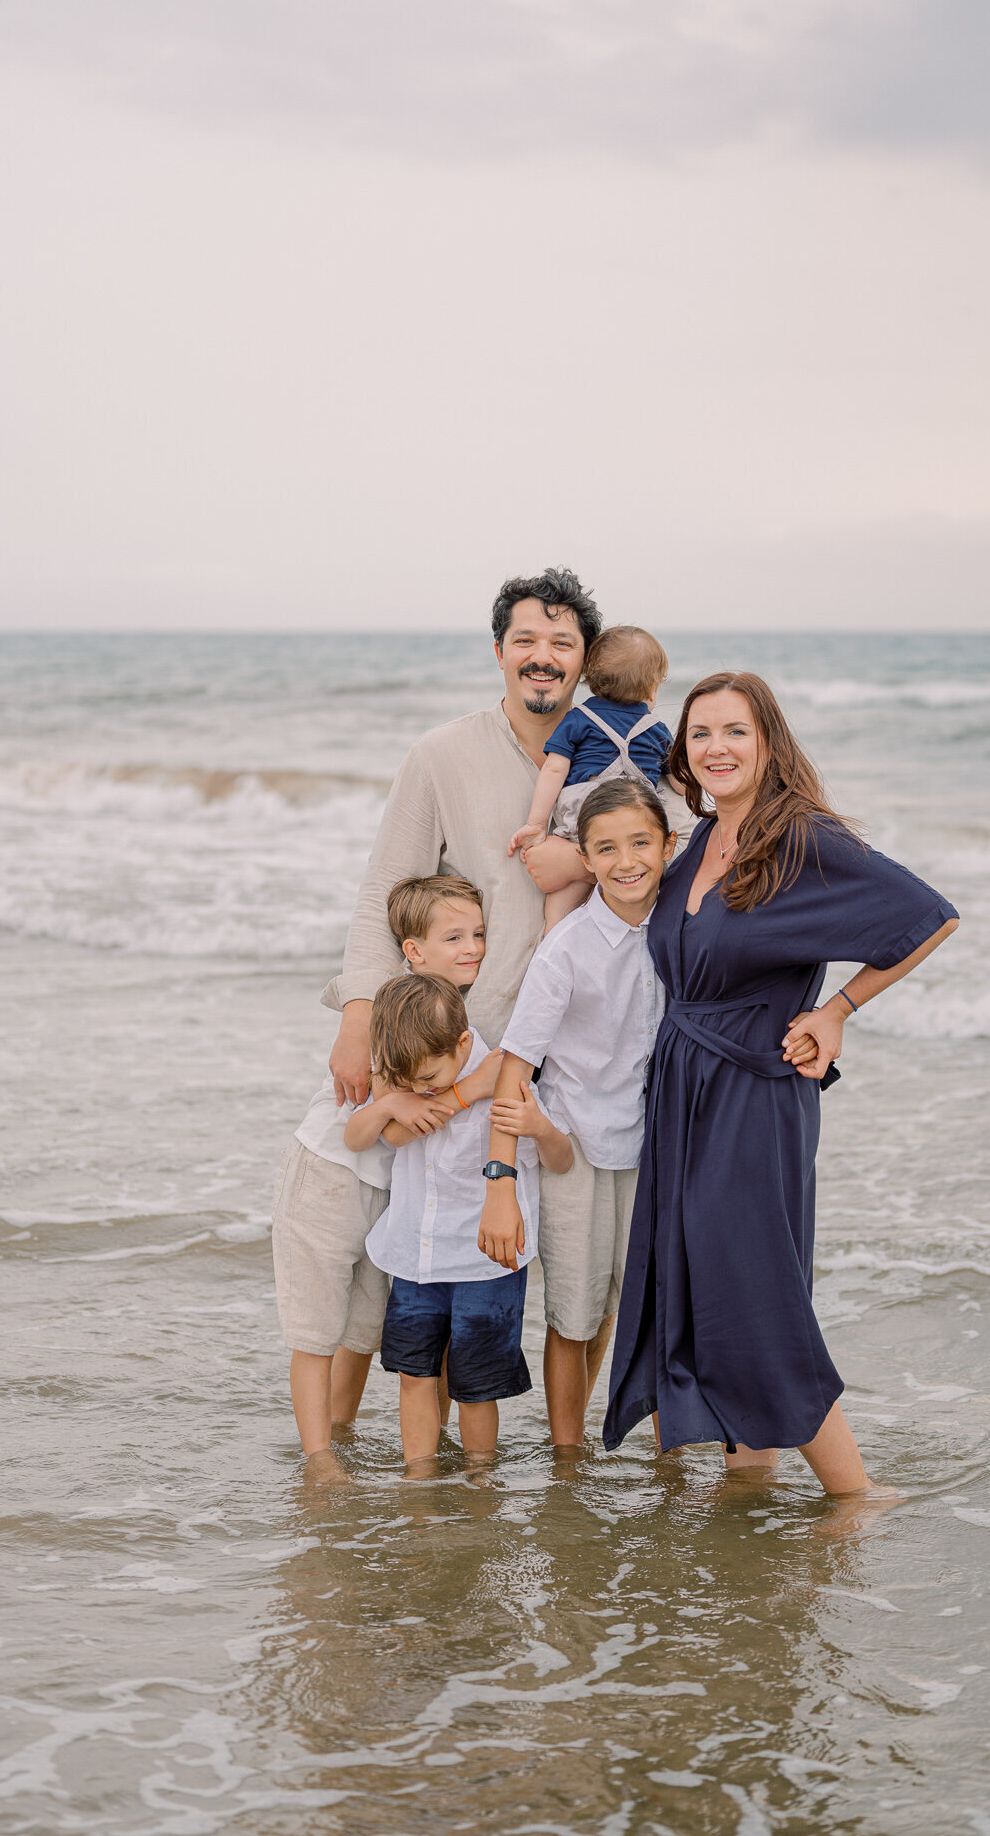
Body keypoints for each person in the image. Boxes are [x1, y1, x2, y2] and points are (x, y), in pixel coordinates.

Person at [602, 671, 960, 1488]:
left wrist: (837, 1011)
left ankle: (856, 1495)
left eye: (734, 732)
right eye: (699, 734)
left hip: (754, 1091)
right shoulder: (695, 842)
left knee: (750, 1283)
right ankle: (749, 1479)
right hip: (683, 1086)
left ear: (768, 743)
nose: (715, 748)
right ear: (682, 754)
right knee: (698, 1278)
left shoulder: (799, 837)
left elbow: (926, 914)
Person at [323, 568, 605, 1107]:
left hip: (588, 1048)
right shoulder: (440, 754)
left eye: (562, 643)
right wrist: (358, 1017)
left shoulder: (625, 757)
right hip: (463, 1044)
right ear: (499, 652)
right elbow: (385, 889)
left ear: (585, 661)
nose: (542, 657)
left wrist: (580, 860)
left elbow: (676, 857)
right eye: (525, 641)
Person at [273, 874, 493, 1484]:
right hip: (330, 1173)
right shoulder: (394, 1006)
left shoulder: (454, 1012)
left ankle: (339, 1429)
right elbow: (362, 1124)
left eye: (478, 933)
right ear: (414, 951)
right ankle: (319, 1457)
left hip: (389, 1187)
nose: (472, 946)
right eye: (454, 936)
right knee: (317, 1326)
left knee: (365, 1326)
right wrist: (399, 1104)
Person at [483, 777, 676, 1448]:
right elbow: (514, 1069)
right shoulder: (564, 948)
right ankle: (567, 1460)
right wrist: (498, 1186)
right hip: (572, 1147)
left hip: (653, 1145)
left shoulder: (683, 932)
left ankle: (659, 1454)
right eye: (606, 849)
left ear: (667, 846)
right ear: (585, 861)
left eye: (640, 843)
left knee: (636, 1310)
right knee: (574, 1315)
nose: (626, 861)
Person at [363, 973, 571, 1469]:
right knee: (414, 1375)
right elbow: (390, 1135)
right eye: (409, 1083)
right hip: (417, 1255)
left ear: (461, 1043)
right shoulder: (412, 1075)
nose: (418, 1090)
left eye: (428, 1079)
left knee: (476, 1386)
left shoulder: (509, 1079)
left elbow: (560, 1160)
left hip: (486, 1262)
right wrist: (444, 1092)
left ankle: (481, 1478)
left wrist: (541, 1128)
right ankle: (419, 1475)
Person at [508, 626, 676, 931]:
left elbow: (555, 770)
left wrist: (536, 824)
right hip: (636, 822)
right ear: (651, 688)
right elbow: (679, 781)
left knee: (562, 899)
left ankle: (554, 939)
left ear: (590, 679)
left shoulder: (578, 719)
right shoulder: (657, 729)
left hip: (582, 819)